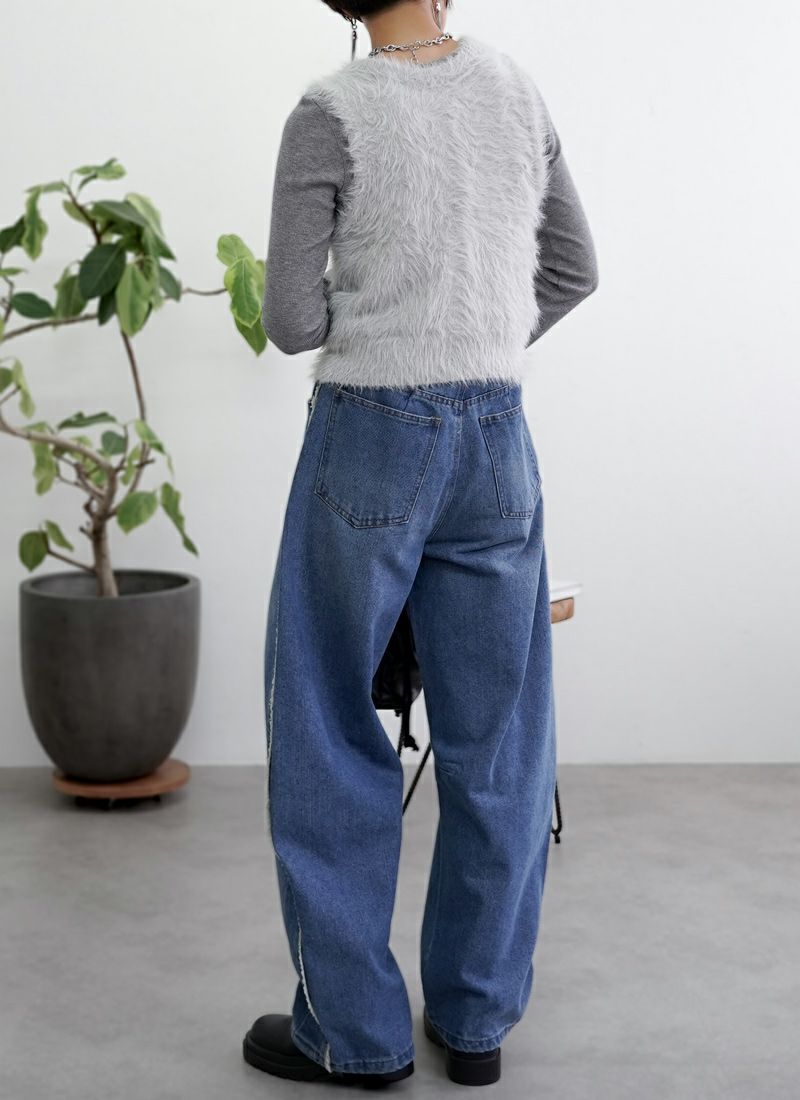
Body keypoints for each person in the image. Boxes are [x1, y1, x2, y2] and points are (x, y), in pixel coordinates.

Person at [242, 0, 598, 1088]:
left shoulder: (329, 111)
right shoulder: (516, 92)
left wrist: (393, 329)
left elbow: (291, 321)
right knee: (500, 739)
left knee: (326, 722)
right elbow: (572, 270)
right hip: (497, 436)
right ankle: (476, 1024)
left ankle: (355, 1036)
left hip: (371, 436)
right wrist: (474, 335)